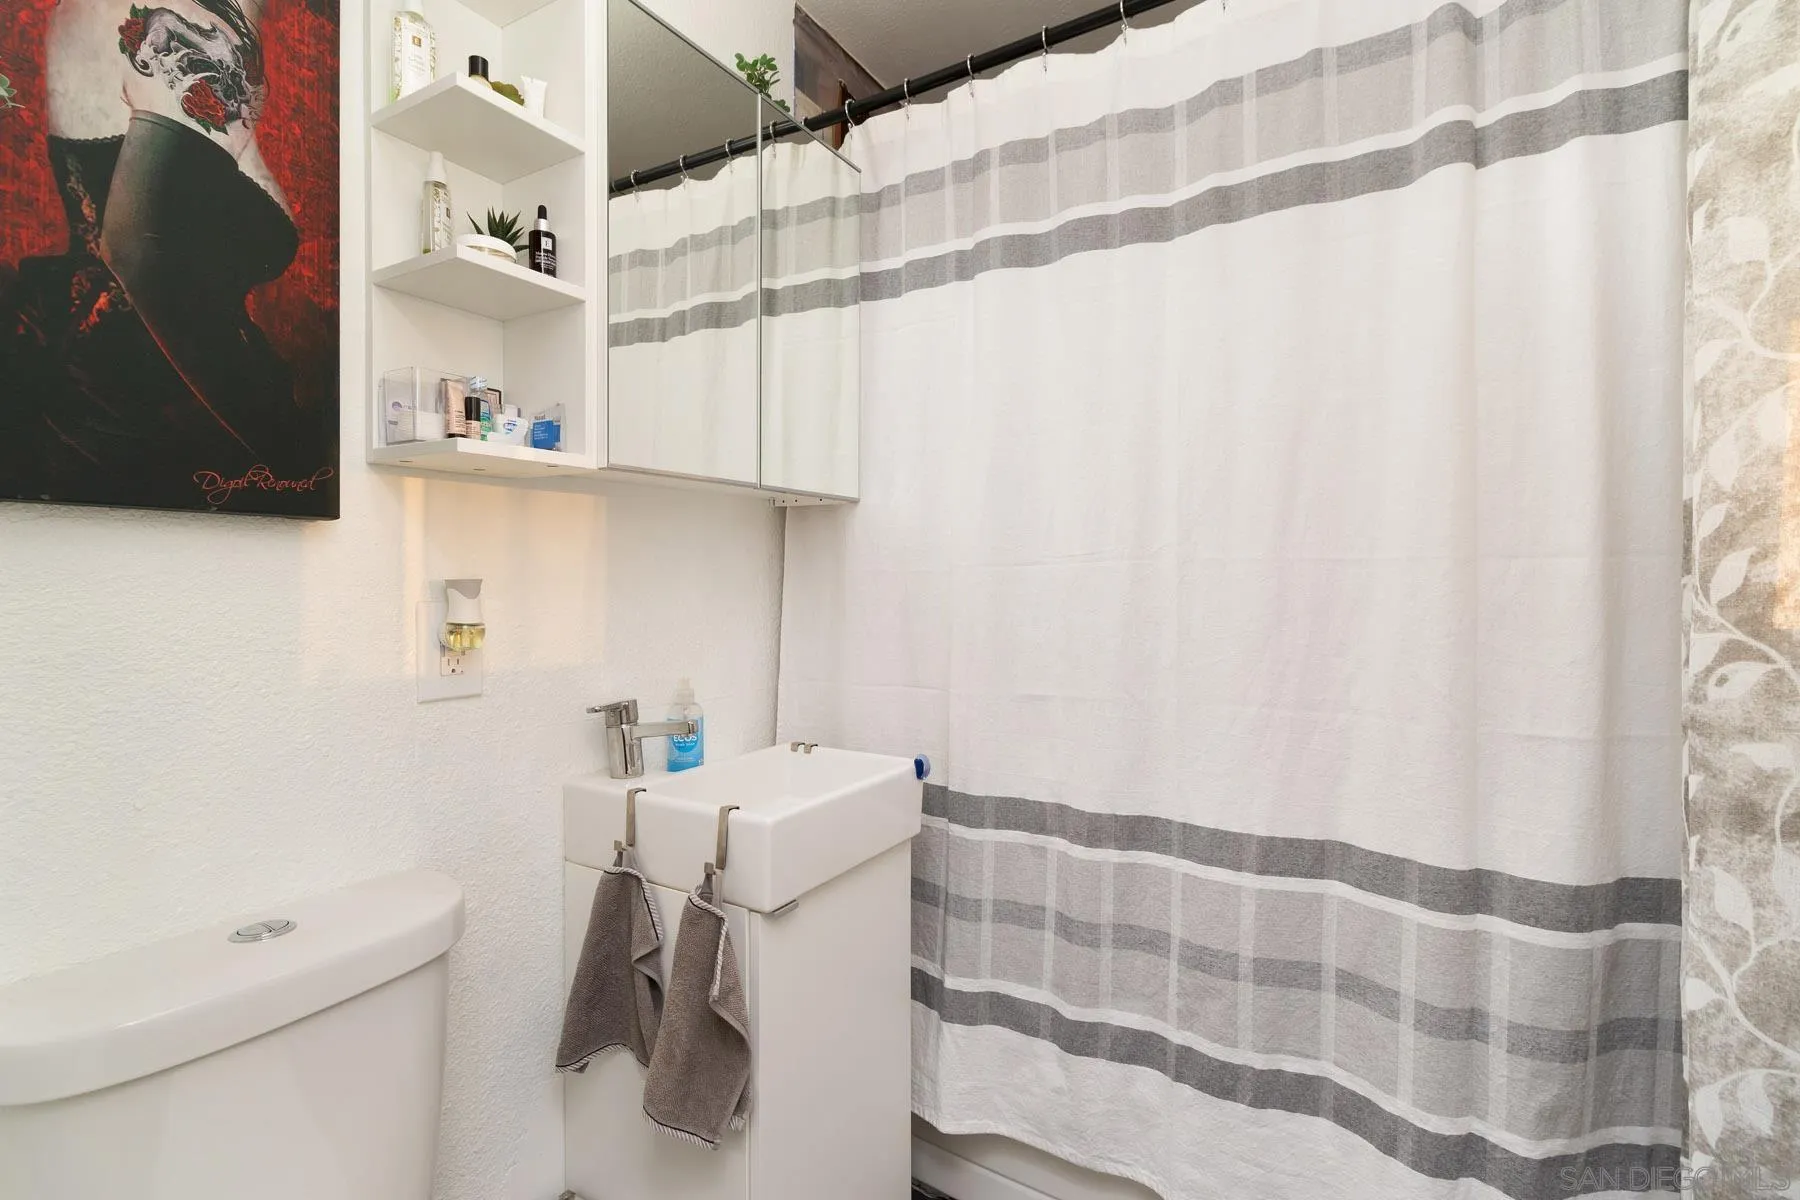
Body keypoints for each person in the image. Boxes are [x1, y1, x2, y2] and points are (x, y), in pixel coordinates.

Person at [0, 0, 326, 512]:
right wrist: (291, 451)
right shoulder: (187, 16)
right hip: (140, 419)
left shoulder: (220, 18)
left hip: (129, 402)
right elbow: (141, 257)